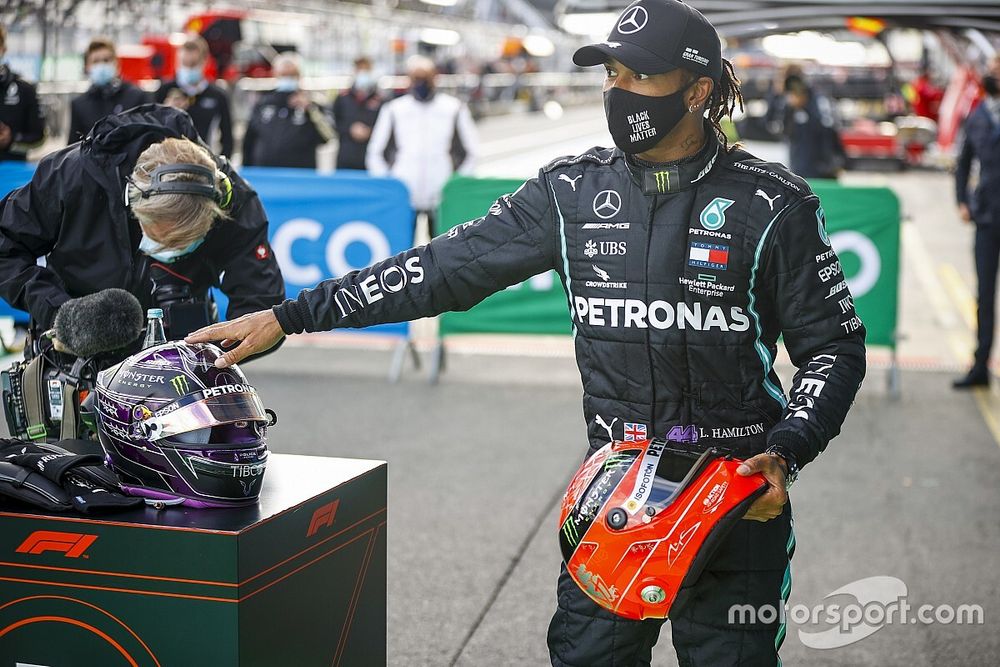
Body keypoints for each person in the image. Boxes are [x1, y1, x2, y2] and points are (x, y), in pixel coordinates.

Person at [186, 1, 866, 664]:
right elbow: (438, 269)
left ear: (698, 91)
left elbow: (833, 346)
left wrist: (784, 452)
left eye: (638, 77)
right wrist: (292, 314)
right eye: (610, 75)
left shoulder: (773, 204)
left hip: (736, 503)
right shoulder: (569, 193)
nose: (618, 91)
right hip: (616, 501)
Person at [0, 104, 285, 346]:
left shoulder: (235, 200)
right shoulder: (72, 177)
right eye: (161, 240)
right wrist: (60, 313)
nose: (167, 253)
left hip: (180, 357)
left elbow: (261, 302)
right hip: (74, 349)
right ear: (133, 203)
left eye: (182, 246)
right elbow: (6, 247)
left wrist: (216, 355)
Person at [366, 55, 478, 223]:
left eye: (425, 78)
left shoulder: (453, 108)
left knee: (442, 246)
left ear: (435, 77)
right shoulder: (394, 109)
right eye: (417, 78)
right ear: (409, 80)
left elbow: (472, 151)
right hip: (405, 193)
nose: (421, 83)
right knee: (403, 247)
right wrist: (390, 184)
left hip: (441, 192)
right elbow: (375, 151)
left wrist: (456, 184)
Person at [954, 72, 1000, 388]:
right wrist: (962, 199)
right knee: (984, 295)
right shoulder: (979, 114)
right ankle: (980, 364)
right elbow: (964, 161)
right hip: (987, 217)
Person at [241, 53, 333, 169]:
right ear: (275, 74)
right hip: (265, 172)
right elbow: (249, 140)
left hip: (300, 174)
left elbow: (328, 136)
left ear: (300, 76)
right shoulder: (264, 102)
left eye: (292, 75)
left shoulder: (313, 103)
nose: (287, 79)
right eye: (284, 75)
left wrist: (310, 110)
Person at [154, 34, 234, 158]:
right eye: (184, 64)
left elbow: (227, 137)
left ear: (204, 61)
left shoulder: (217, 95)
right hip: (169, 161)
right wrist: (167, 111)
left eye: (193, 64)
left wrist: (222, 167)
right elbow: (151, 129)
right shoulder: (165, 90)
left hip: (204, 161)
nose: (188, 69)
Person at [68, 37, 150, 142]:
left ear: (116, 63)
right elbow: (72, 147)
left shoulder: (136, 96)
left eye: (106, 60)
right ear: (87, 66)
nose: (102, 65)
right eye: (96, 61)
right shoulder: (79, 105)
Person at [781, 74, 845, 179]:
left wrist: (832, 163)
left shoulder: (819, 104)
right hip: (799, 168)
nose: (791, 98)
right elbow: (787, 133)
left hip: (821, 169)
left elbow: (829, 133)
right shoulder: (791, 110)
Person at [0, 25, 46, 162]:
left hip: (13, 176)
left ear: (3, 49)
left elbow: (39, 138)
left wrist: (11, 140)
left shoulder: (25, 90)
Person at [331, 56, 384, 171]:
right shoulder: (343, 98)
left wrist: (370, 131)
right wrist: (350, 129)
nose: (363, 73)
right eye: (360, 69)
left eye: (366, 69)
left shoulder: (380, 100)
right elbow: (334, 122)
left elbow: (385, 124)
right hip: (346, 156)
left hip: (371, 157)